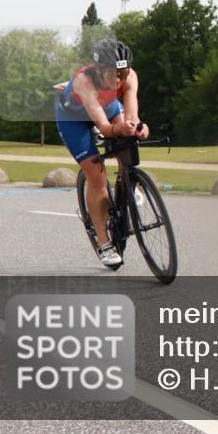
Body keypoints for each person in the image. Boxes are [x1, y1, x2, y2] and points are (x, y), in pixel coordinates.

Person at [56, 39, 149, 266]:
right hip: (74, 119)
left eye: (122, 72)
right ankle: (104, 242)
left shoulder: (130, 77)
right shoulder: (84, 82)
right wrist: (118, 129)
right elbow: (106, 128)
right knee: (97, 176)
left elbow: (131, 115)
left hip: (107, 108)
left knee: (129, 145)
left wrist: (138, 127)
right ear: (98, 69)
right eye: (111, 73)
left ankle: (127, 189)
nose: (118, 79)